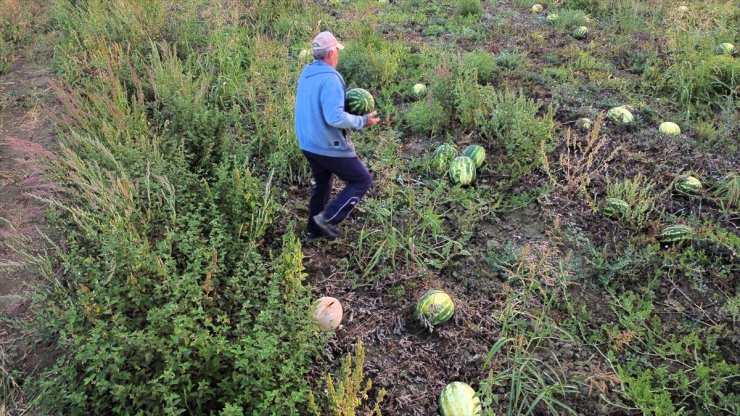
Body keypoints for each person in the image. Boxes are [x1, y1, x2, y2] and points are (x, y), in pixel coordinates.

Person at [294, 31, 380, 240]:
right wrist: (362, 121)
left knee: (323, 184)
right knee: (362, 180)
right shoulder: (330, 79)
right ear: (331, 53)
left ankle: (312, 232)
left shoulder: (307, 74)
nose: (338, 55)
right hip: (327, 144)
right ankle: (328, 218)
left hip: (308, 143)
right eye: (337, 51)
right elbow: (333, 117)